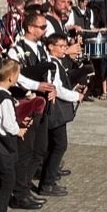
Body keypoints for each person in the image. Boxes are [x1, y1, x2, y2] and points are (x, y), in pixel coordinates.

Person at [6, 12, 56, 210]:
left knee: (39, 148)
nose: (45, 30)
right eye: (42, 26)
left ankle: (26, 187)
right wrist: (38, 86)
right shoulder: (15, 50)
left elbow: (50, 69)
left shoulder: (42, 47)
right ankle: (19, 194)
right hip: (25, 103)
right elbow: (16, 76)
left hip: (42, 103)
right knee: (25, 151)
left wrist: (52, 88)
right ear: (30, 28)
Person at [0, 59, 29, 212]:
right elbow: (8, 125)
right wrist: (19, 130)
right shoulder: (4, 98)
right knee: (7, 185)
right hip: (4, 147)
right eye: (17, 74)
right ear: (11, 77)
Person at [40, 31, 82, 196]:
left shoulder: (56, 62)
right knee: (59, 145)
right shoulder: (52, 64)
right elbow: (57, 88)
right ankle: (47, 182)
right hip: (55, 110)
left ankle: (49, 177)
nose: (65, 49)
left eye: (66, 46)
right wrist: (75, 96)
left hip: (58, 109)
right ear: (51, 47)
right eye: (61, 46)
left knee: (54, 145)